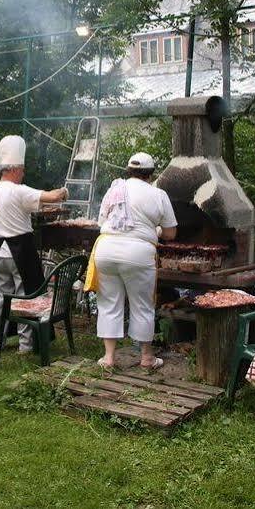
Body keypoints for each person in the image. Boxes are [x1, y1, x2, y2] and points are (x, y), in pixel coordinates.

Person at [0, 136, 68, 354]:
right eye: (22, 169)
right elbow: (54, 197)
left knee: (0, 298)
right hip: (20, 251)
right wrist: (64, 191)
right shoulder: (19, 191)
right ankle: (26, 344)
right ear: (16, 169)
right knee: (25, 297)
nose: (23, 173)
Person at [94, 153, 178, 370]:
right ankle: (147, 358)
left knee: (109, 304)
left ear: (128, 170)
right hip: (138, 253)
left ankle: (109, 358)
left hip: (106, 249)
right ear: (151, 174)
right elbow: (170, 234)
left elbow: (101, 221)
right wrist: (155, 229)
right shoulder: (158, 194)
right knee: (142, 306)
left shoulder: (115, 189)